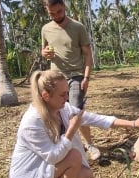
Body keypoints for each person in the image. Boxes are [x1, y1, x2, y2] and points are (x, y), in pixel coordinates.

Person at [9, 70, 139, 178]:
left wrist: (134, 123)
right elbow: (52, 156)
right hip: (30, 172)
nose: (66, 98)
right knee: (74, 156)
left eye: (67, 93)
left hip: (48, 165)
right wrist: (71, 129)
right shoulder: (32, 121)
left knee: (85, 176)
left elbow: (96, 119)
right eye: (62, 94)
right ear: (46, 96)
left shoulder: (62, 108)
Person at [41, 0, 100, 160]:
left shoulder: (77, 27)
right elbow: (44, 50)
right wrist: (45, 53)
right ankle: (63, 145)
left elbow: (87, 54)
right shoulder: (46, 29)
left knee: (75, 111)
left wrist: (86, 77)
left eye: (59, 12)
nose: (56, 16)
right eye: (52, 13)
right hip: (55, 77)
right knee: (56, 112)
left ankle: (89, 144)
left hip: (76, 75)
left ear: (64, 7)